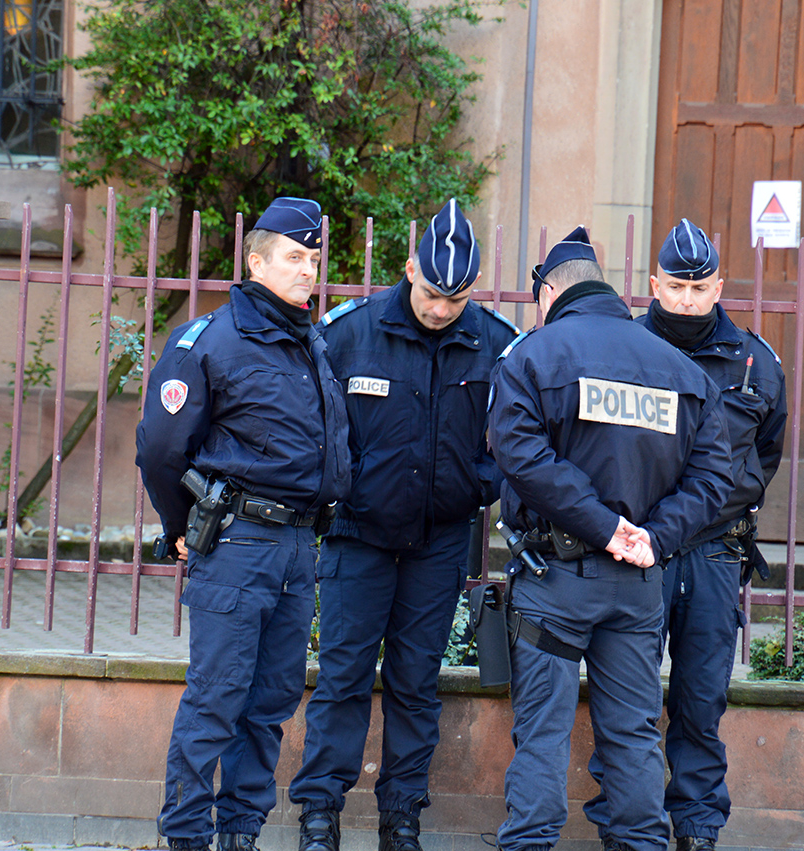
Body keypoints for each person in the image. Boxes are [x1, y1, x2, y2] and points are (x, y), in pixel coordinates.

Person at [488, 227, 734, 851]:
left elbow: (520, 457)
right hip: (640, 585)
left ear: (549, 293)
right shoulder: (680, 369)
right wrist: (650, 537)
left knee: (542, 730)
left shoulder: (533, 357)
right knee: (632, 733)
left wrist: (602, 528)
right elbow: (715, 478)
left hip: (556, 579)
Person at [289, 199, 520, 851]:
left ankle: (402, 818)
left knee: (418, 684)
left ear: (471, 288)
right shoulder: (350, 331)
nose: (441, 309)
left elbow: (518, 436)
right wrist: (344, 490)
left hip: (441, 541)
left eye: (456, 297)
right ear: (410, 267)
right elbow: (315, 428)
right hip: (357, 539)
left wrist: (482, 486)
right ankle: (318, 816)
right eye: (431, 292)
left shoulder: (496, 341)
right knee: (342, 678)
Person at [135, 196, 351, 851]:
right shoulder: (211, 340)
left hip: (294, 546)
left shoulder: (308, 340)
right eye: (293, 257)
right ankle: (187, 837)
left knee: (271, 702)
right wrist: (182, 523)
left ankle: (240, 832)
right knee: (216, 699)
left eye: (313, 258)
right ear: (255, 260)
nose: (307, 270)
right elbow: (160, 447)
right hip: (235, 543)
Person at [585, 219, 787, 851]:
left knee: (701, 700)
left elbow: (765, 455)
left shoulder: (755, 360)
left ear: (720, 285)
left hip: (714, 553)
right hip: (638, 550)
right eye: (675, 287)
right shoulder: (621, 348)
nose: (688, 301)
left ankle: (697, 827)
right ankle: (623, 824)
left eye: (700, 289)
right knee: (627, 699)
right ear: (653, 285)